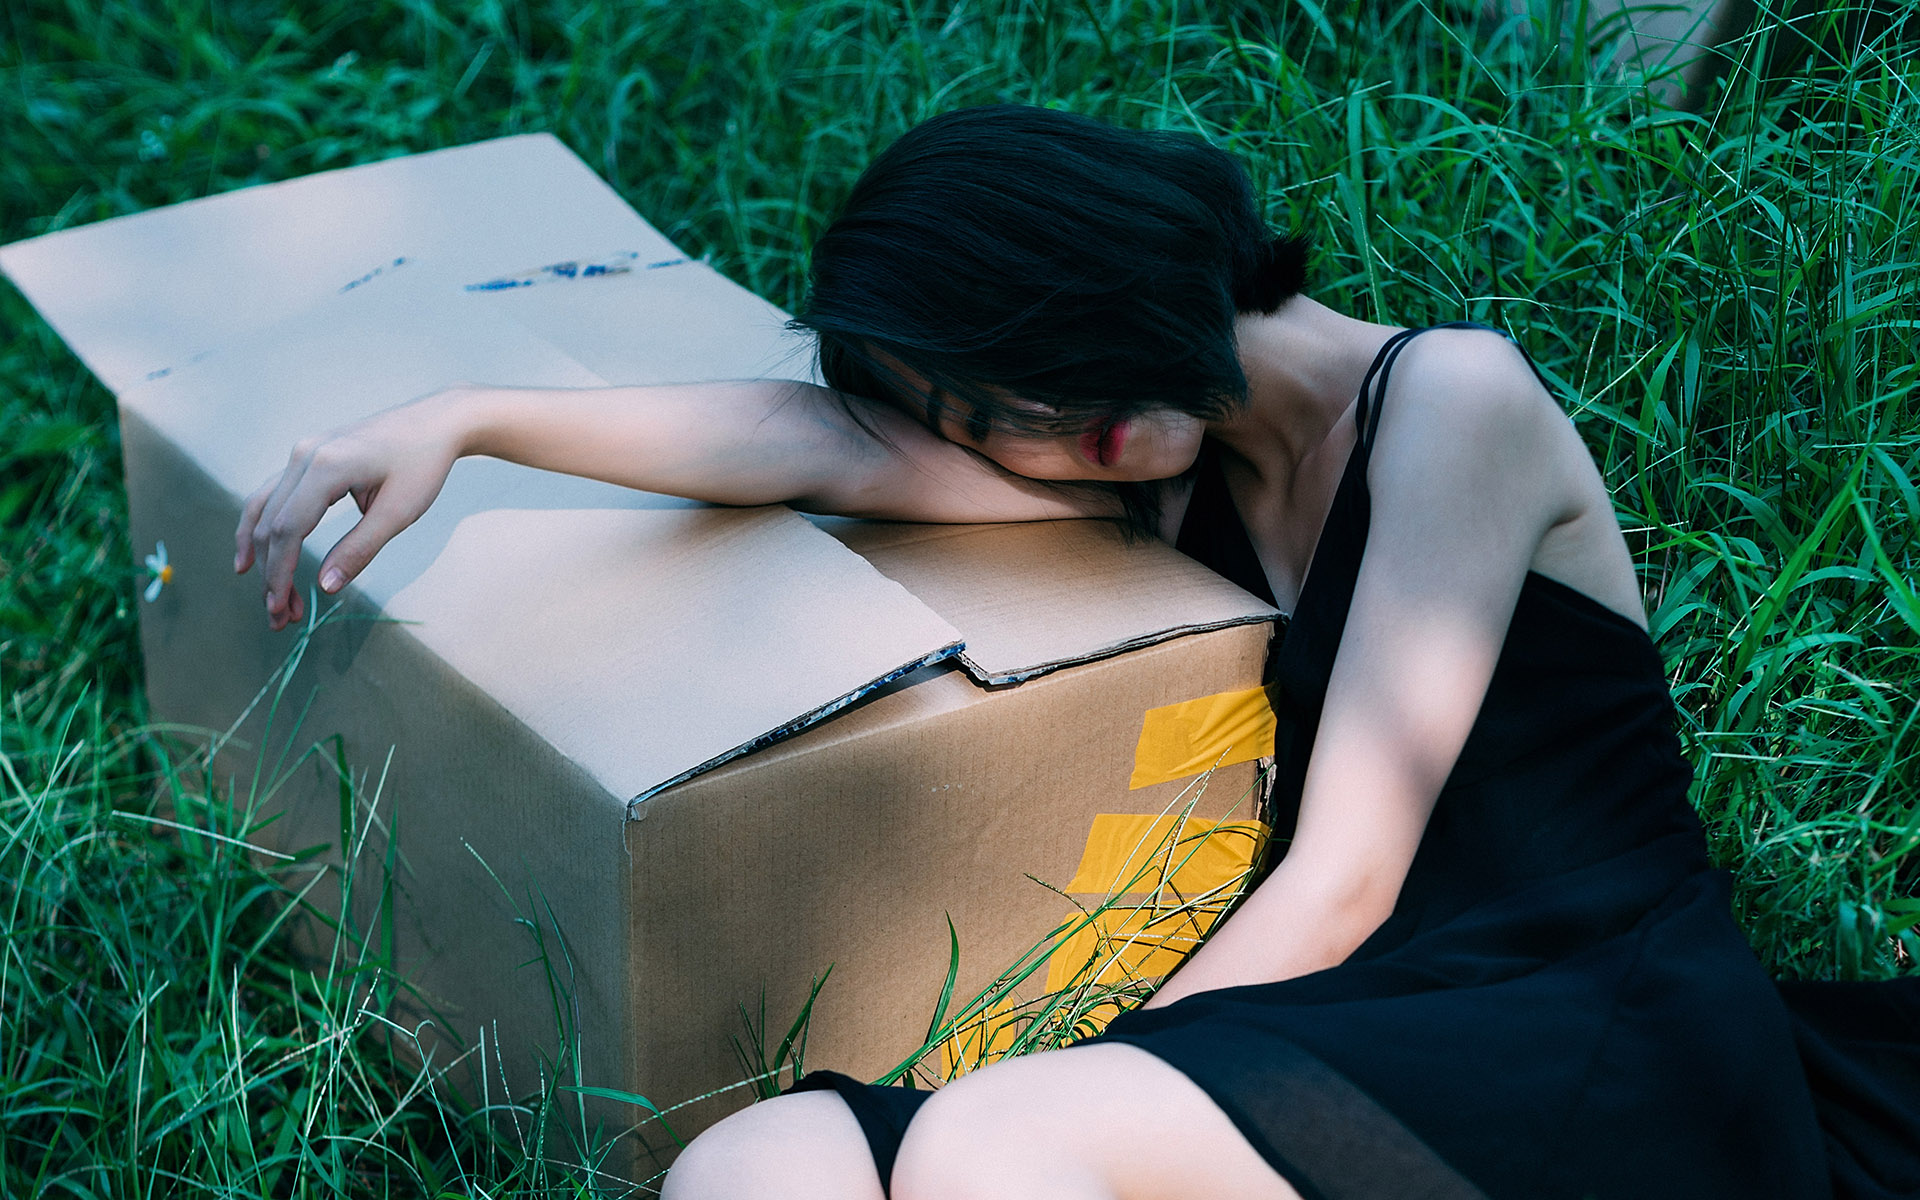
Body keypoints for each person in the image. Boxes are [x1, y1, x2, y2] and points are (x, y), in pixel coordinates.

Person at [237, 106, 1918, 1199]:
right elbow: (813, 440)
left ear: (1106, 255)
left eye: (1039, 365)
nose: (1045, 431)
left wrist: (1097, 1073)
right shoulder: (1147, 464)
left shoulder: (1451, 403)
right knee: (753, 1170)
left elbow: (1344, 880)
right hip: (1356, 1002)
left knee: (992, 1151)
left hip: (1587, 1005)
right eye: (987, 422)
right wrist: (470, 417)